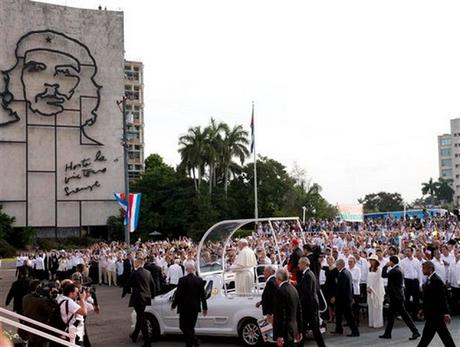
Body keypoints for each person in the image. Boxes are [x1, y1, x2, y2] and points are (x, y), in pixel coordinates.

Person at [380, 255, 420, 341]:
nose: (388, 263)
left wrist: (385, 266)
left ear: (392, 262)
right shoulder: (398, 269)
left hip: (396, 297)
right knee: (391, 315)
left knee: (405, 315)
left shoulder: (394, 271)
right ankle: (387, 333)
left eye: (389, 261)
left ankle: (415, 331)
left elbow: (383, 275)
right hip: (396, 297)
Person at [417, 261, 456, 347]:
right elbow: (428, 298)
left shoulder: (437, 280)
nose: (422, 270)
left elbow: (442, 298)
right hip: (431, 315)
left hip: (436, 315)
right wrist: (423, 309)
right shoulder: (429, 279)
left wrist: (446, 313)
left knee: (444, 337)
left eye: (424, 268)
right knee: (428, 337)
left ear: (430, 269)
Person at [171, 262, 208, 347]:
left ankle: (194, 340)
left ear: (187, 270)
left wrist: (174, 305)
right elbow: (203, 296)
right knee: (191, 327)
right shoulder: (199, 280)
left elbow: (178, 295)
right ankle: (191, 342)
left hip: (184, 308)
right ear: (194, 269)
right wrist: (205, 308)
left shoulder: (182, 280)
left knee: (183, 326)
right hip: (195, 307)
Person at [122, 257, 156, 347]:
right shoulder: (148, 273)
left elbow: (128, 284)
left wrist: (124, 293)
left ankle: (147, 342)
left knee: (141, 318)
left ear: (137, 264)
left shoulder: (135, 273)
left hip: (137, 298)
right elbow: (153, 285)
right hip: (146, 298)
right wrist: (153, 296)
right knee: (140, 316)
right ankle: (134, 335)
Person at [296, 257, 326, 347]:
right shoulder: (307, 274)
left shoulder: (308, 275)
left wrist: (299, 303)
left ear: (304, 264)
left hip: (310, 307)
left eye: (299, 263)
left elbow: (307, 292)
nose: (298, 265)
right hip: (308, 306)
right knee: (303, 328)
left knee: (315, 330)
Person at [273, 268, 302, 347]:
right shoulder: (294, 289)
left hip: (285, 331)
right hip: (293, 328)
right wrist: (299, 330)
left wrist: (280, 335)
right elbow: (299, 311)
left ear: (279, 278)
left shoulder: (280, 291)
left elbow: (281, 315)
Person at [331, 259, 359, 337]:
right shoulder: (347, 272)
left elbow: (341, 287)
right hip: (345, 298)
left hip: (344, 299)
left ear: (341, 265)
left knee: (349, 316)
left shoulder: (343, 274)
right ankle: (338, 329)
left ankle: (355, 331)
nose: (336, 267)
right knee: (338, 315)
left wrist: (335, 297)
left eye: (337, 265)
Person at [399, 247, 423, 320]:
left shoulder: (416, 261)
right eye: (406, 251)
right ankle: (406, 315)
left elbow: (420, 273)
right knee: (406, 299)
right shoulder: (402, 262)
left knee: (416, 299)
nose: (407, 252)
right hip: (407, 281)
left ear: (412, 252)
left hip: (415, 281)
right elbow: (401, 274)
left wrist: (420, 283)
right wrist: (402, 284)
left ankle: (415, 315)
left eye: (408, 251)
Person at [366, 254, 384, 328]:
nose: (371, 261)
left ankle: (377, 323)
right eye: (370, 260)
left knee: (377, 306)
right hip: (370, 289)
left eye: (373, 260)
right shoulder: (369, 268)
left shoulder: (379, 269)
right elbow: (368, 278)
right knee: (371, 305)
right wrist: (368, 287)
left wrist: (371, 287)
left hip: (377, 289)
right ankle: (372, 322)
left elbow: (377, 280)